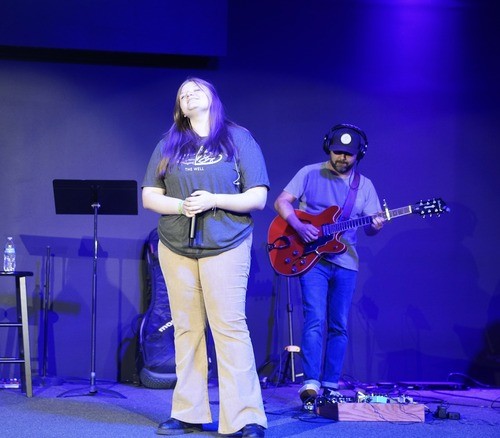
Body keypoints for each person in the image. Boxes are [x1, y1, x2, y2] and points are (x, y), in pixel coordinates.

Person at [142, 77, 269, 437]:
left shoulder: (238, 138)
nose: (188, 95)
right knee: (186, 329)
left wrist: (214, 200)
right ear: (179, 107)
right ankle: (189, 412)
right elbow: (150, 196)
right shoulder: (168, 143)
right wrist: (182, 206)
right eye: (182, 94)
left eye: (195, 90)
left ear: (212, 97)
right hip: (176, 246)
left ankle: (245, 418)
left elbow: (258, 197)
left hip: (226, 243)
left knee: (229, 328)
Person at [273, 123, 385, 409]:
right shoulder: (309, 173)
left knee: (339, 325)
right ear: (328, 149)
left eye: (348, 154)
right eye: (337, 152)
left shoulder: (364, 186)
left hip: (346, 262)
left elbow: (370, 228)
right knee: (314, 318)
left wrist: (375, 225)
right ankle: (310, 382)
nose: (342, 158)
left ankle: (331, 384)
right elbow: (282, 202)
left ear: (359, 154)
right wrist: (299, 226)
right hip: (312, 259)